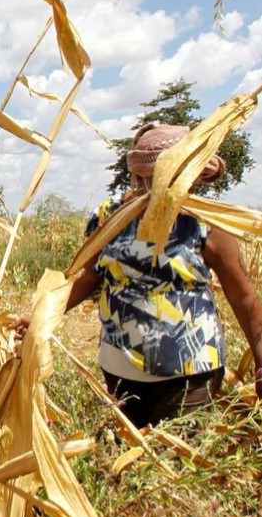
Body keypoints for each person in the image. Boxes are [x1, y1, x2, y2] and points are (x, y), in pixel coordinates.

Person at [23, 122, 262, 429]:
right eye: (146, 180)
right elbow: (87, 278)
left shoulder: (206, 223)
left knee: (175, 461)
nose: (153, 189)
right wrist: (42, 317)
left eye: (163, 179)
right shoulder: (110, 218)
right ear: (136, 176)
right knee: (132, 456)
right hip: (119, 368)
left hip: (188, 375)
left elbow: (243, 295)